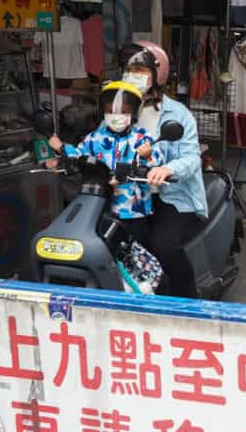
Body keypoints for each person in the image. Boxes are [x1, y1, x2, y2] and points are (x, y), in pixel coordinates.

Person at [118, 41, 208, 297]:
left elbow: (191, 158)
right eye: (128, 70)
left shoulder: (178, 114)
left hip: (172, 197)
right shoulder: (118, 110)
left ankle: (188, 300)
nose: (133, 76)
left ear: (157, 74)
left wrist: (167, 169)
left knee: (164, 245)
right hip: (130, 194)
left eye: (140, 70)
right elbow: (101, 141)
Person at [48, 81, 162, 235]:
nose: (117, 116)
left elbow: (158, 162)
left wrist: (148, 155)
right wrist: (61, 149)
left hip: (134, 210)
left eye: (123, 112)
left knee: (136, 250)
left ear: (134, 113)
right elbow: (79, 155)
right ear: (103, 113)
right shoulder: (95, 137)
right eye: (111, 111)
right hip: (100, 205)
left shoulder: (142, 137)